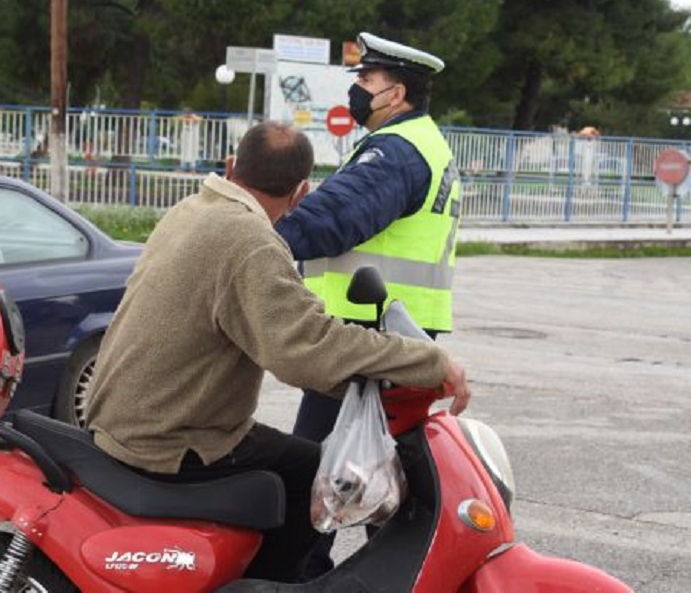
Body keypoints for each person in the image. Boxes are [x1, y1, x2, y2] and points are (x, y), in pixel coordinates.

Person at [86, 121, 469, 583]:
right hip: (172, 438)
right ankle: (271, 585)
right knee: (319, 479)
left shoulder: (193, 209)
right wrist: (428, 361)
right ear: (302, 192)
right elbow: (303, 350)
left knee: (297, 460)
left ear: (231, 167)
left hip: (135, 418)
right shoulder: (250, 242)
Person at [275, 31, 462, 577]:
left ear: (395, 94)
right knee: (378, 474)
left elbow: (330, 220)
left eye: (366, 80)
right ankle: (396, 575)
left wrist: (255, 237)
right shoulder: (415, 142)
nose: (356, 89)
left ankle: (300, 577)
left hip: (372, 343)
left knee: (318, 472)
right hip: (395, 336)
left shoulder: (398, 152)